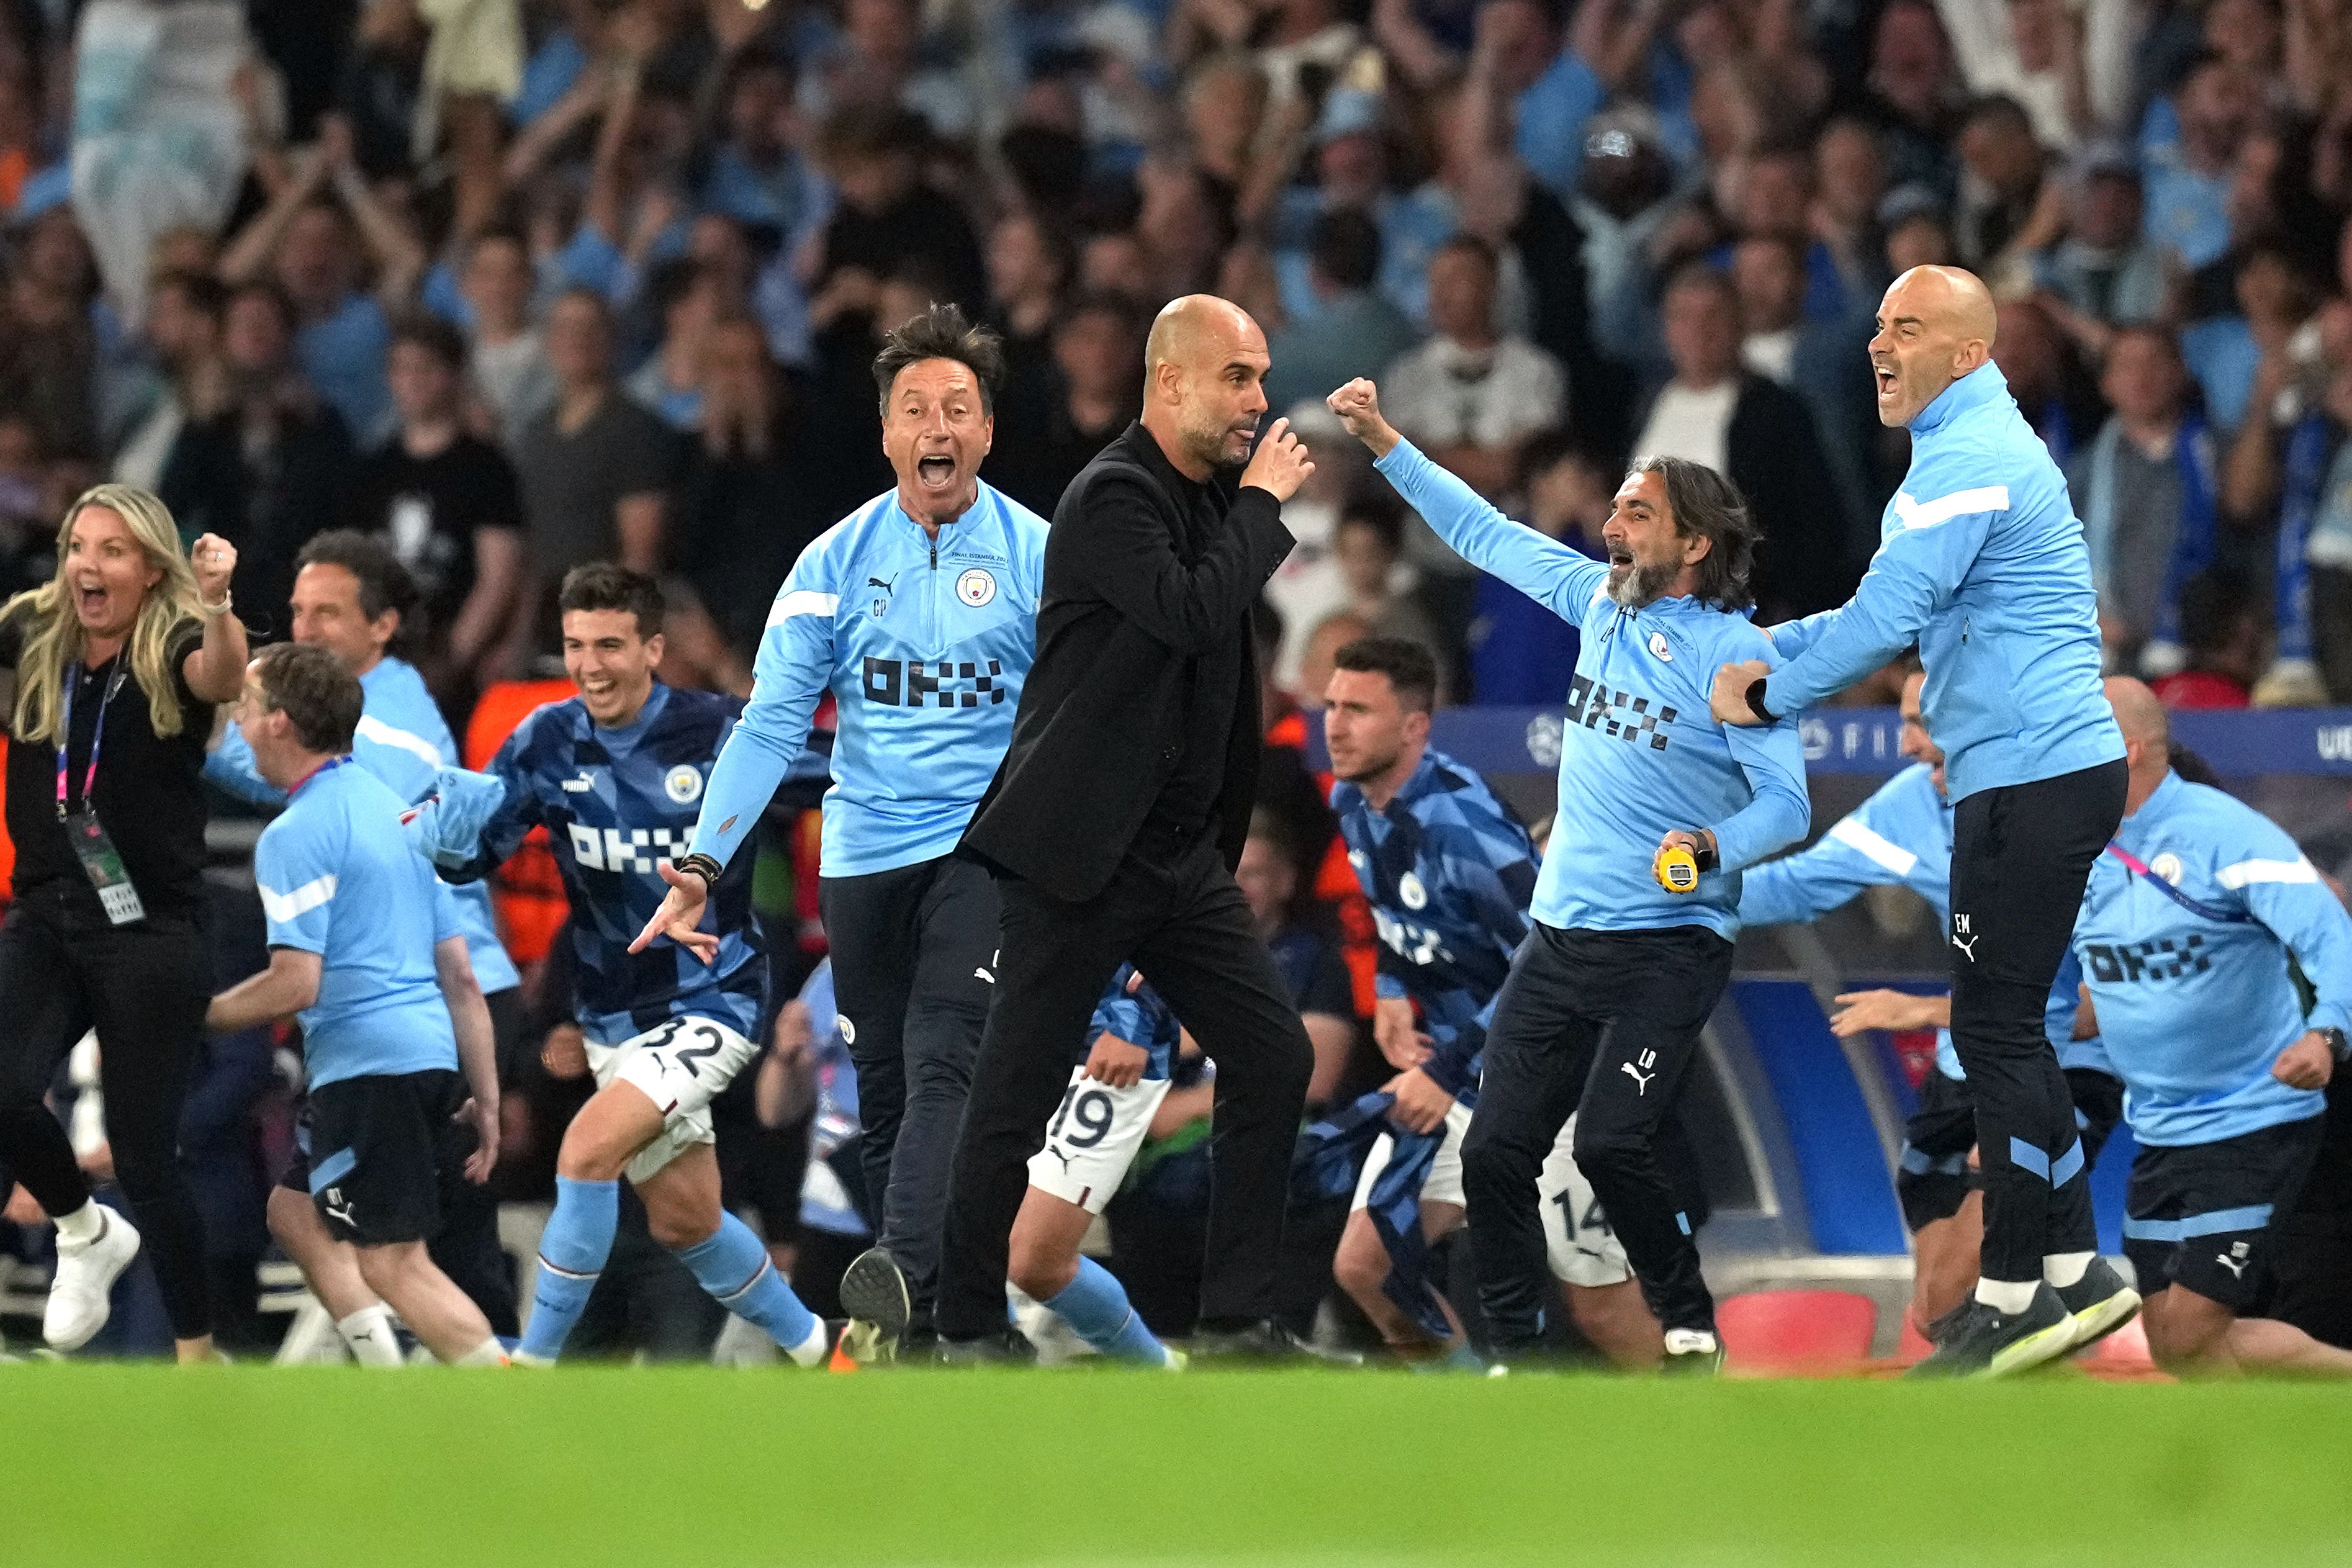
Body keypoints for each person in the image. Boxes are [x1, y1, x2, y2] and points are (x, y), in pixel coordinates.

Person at [1330, 376, 1811, 1372]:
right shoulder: (1598, 605)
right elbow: (1481, 532)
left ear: (1694, 546)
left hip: (1669, 947)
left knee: (1611, 1144)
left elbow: (1788, 806)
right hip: (1559, 938)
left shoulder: (1740, 655)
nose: (1611, 522)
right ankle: (1509, 1354)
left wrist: (1706, 849)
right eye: (1616, 504)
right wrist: (1384, 441)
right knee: (1500, 1152)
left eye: (1638, 510)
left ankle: (1688, 1324)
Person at [1709, 263, 2137, 1377]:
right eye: (1875, 328)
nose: (1875, 346)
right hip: (2022, 773)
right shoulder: (1950, 464)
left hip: (2031, 775)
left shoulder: (1970, 466)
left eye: (1905, 328)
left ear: (1967, 354)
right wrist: (1749, 654)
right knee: (1999, 1024)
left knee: (1995, 1028)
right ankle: (2067, 1277)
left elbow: (1880, 621)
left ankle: (2018, 1290)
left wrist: (1763, 690)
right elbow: (1866, 616)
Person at [629, 304, 1050, 1361]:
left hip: (985, 851)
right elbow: (769, 720)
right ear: (886, 434)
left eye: (957, 407)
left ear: (986, 432)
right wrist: (699, 862)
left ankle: (899, 1286)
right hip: (862, 861)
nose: (936, 425)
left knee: (947, 1058)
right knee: (890, 1098)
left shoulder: (1044, 556)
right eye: (915, 408)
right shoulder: (828, 563)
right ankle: (958, 1325)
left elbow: (1088, 714)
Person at [927, 295, 1329, 1364]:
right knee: (1013, 1097)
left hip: (1173, 861)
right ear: (1168, 383)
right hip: (1074, 858)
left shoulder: (1203, 502)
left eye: (1258, 376)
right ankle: (962, 1329)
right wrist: (1264, 507)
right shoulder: (1109, 496)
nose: (1255, 399)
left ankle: (1240, 1321)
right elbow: (1191, 610)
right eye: (1235, 377)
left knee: (1271, 1055)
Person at [418, 565, 834, 1366]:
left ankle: (533, 1366)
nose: (590, 665)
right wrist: (444, 834)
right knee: (687, 1219)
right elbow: (478, 855)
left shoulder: (721, 732)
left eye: (610, 644)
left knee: (586, 1151)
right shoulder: (545, 739)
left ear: (652, 648)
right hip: (611, 1012)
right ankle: (825, 1349)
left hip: (713, 998)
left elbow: (848, 773)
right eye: (575, 645)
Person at [203, 531, 525, 1356]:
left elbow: (296, 978)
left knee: (410, 1254)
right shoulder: (380, 780)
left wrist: (197, 1016)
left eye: (326, 612)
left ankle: (506, 1399)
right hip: (438, 1008)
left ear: (382, 627)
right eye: (298, 610)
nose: (305, 627)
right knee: (306, 1211)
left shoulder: (382, 748)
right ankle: (401, 1378)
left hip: (394, 1026)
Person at [1741, 668, 2123, 1340]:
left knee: (1959, 1294)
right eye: (1906, 721)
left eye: (1924, 724)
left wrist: (1923, 1011)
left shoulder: (2062, 817)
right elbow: (1798, 887)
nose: (1910, 746)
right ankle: (2021, 1411)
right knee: (1933, 1311)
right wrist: (1677, 887)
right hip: (1958, 1075)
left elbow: (2095, 1004)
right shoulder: (1910, 804)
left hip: (2052, 1071)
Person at [1322, 636, 1657, 1369]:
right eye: (1331, 706)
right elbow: (1390, 913)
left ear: (1415, 727)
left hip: (1550, 1079)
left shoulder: (1465, 829)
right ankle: (1473, 1428)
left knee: (1597, 1303)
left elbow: (1550, 964)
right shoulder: (1353, 801)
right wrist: (1387, 989)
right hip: (1462, 1079)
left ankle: (1701, 1433)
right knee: (1365, 1267)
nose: (1335, 726)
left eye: (1358, 710)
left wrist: (1444, 1070)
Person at [0, 486, 245, 1361]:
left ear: (149, 570)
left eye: (111, 551)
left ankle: (197, 1357)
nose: (88, 566)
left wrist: (217, 605)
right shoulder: (32, 636)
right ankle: (82, 1230)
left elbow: (222, 675)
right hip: (46, 913)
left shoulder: (175, 641)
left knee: (145, 1159)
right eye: (77, 546)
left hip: (148, 928)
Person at [2067, 680, 2352, 1377]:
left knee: (2194, 1329)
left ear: (2126, 751)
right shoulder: (2072, 851)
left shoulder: (2225, 833)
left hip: (2253, 1121)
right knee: (2174, 1343)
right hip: (2161, 1132)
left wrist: (2326, 1032)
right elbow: (2078, 993)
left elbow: (2331, 934)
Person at [1005, 968, 1187, 1369]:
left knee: (1036, 1259)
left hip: (1105, 1039)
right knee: (963, 1229)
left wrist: (1137, 1019)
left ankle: (1162, 1373)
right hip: (1006, 1027)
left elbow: (1181, 914)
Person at [344, 313, 526, 702]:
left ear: (454, 375)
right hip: (376, 658)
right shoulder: (373, 467)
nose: (413, 380)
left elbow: (498, 579)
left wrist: (452, 662)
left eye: (427, 368)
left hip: (449, 659)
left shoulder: (486, 467)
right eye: (401, 369)